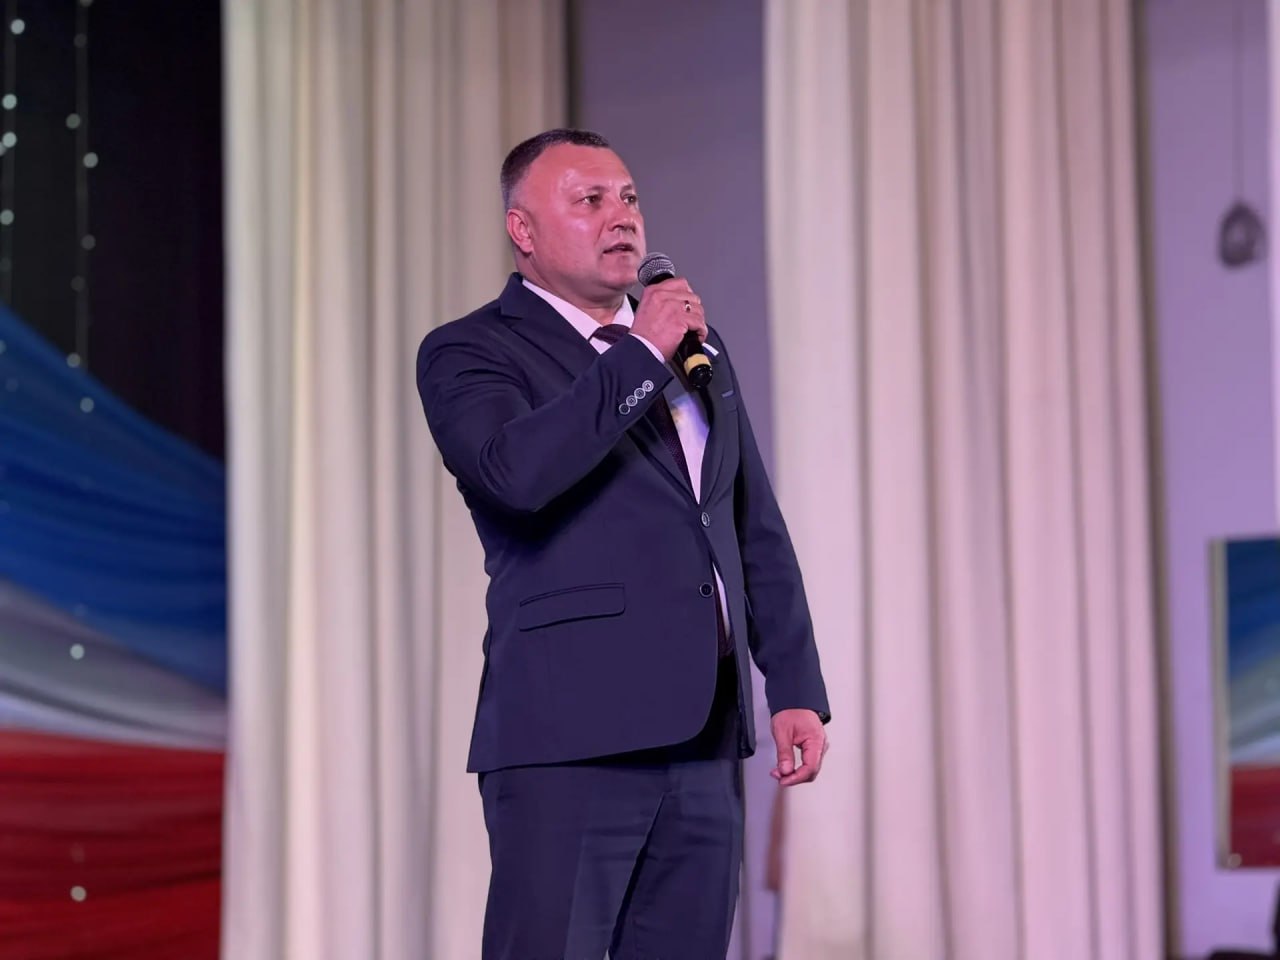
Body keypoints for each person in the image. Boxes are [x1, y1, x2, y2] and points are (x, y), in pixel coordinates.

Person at [415, 128, 830, 960]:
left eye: (630, 198)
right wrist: (640, 354)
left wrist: (793, 683)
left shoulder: (699, 349)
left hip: (703, 739)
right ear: (523, 230)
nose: (622, 217)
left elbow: (749, 520)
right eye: (590, 200)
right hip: (570, 739)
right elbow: (515, 475)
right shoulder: (470, 350)